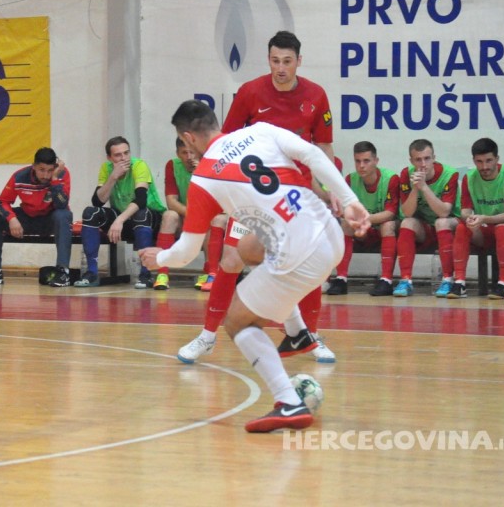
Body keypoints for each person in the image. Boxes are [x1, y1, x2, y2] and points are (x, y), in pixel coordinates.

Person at [140, 100, 370, 432]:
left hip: (301, 256)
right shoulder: (261, 130)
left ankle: (288, 403)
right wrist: (349, 201)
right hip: (331, 235)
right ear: (215, 123)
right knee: (248, 248)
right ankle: (297, 332)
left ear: (188, 139)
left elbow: (187, 253)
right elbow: (315, 156)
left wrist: (157, 258)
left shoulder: (203, 178)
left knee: (236, 321)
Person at [204, 30, 336, 364]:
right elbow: (227, 143)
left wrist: (332, 189)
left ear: (298, 62)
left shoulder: (317, 96)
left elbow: (323, 147)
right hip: (252, 195)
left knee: (306, 264)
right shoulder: (249, 93)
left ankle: (311, 336)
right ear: (269, 60)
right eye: (275, 61)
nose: (281, 68)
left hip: (296, 197)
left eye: (287, 62)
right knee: (231, 261)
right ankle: (206, 337)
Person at [0, 148, 72, 288]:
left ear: (55, 168)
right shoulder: (19, 176)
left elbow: (62, 204)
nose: (46, 175)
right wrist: (12, 218)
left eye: (50, 170)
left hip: (51, 219)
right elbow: (1, 202)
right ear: (34, 166)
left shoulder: (62, 174)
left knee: (64, 215)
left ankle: (63, 272)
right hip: (27, 218)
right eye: (42, 170)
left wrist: (55, 180)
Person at [76, 136, 168, 288]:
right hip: (123, 217)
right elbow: (98, 201)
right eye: (118, 155)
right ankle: (91, 273)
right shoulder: (107, 168)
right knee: (90, 213)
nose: (124, 158)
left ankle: (145, 275)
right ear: (109, 158)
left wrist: (119, 220)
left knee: (141, 213)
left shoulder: (139, 166)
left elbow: (140, 200)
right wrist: (113, 177)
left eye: (126, 153)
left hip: (150, 217)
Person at [376, 139, 459, 298]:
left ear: (434, 158)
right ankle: (406, 280)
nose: (423, 164)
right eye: (418, 160)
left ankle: (448, 279)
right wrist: (415, 188)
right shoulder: (406, 174)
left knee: (441, 222)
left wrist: (424, 187)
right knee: (407, 222)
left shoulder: (450, 174)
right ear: (411, 161)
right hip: (425, 227)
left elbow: (444, 212)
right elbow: (407, 212)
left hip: (450, 225)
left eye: (427, 158)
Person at [448, 138, 504, 299]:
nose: (484, 166)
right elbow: (465, 210)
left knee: (502, 228)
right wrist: (470, 219)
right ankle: (459, 283)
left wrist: (484, 218)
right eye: (479, 162)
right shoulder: (469, 178)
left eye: (489, 161)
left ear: (497, 159)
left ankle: (503, 284)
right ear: (473, 161)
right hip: (485, 228)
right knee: (462, 227)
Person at [329, 141, 400, 295]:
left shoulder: (391, 179)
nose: (361, 165)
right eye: (357, 161)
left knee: (388, 224)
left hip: (381, 229)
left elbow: (391, 212)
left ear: (376, 161)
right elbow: (344, 209)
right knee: (344, 224)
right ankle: (341, 279)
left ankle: (386, 280)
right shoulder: (350, 180)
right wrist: (357, 221)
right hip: (361, 231)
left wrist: (364, 219)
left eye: (366, 161)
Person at [158, 137, 227, 291]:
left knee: (215, 219)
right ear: (177, 153)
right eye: (184, 153)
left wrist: (199, 175)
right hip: (187, 216)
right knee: (169, 216)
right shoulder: (172, 166)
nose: (189, 157)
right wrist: (194, 214)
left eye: (192, 152)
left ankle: (211, 272)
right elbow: (171, 202)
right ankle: (162, 274)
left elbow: (215, 201)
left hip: (210, 215)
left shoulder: (211, 164)